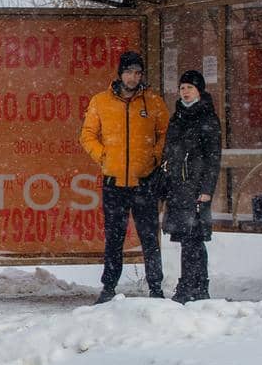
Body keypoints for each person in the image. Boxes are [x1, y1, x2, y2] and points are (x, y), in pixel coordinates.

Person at [80, 50, 170, 303]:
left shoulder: (153, 102)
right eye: (129, 71)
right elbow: (87, 135)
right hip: (114, 183)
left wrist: (154, 157)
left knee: (150, 238)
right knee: (114, 238)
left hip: (144, 182)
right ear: (120, 73)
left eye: (138, 72)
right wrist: (104, 156)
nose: (133, 77)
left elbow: (165, 133)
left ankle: (156, 287)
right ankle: (108, 288)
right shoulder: (101, 101)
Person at [162, 69, 222, 303]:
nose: (185, 92)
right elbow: (169, 149)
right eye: (182, 88)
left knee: (194, 237)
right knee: (186, 237)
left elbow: (213, 156)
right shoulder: (177, 117)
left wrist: (207, 189)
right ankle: (189, 284)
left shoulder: (207, 117)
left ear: (199, 90)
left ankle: (197, 284)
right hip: (179, 186)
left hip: (197, 186)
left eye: (189, 87)